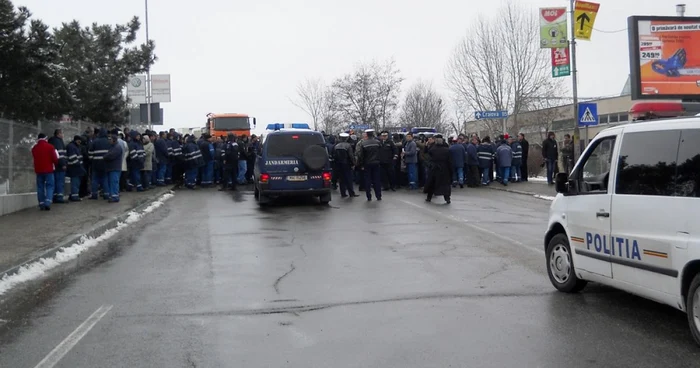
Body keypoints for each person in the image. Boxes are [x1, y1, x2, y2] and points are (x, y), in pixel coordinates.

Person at [32, 133, 59, 210]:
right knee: (50, 186)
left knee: (40, 186)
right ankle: (48, 202)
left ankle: (41, 203)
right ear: (45, 139)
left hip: (38, 170)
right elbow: (55, 159)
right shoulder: (50, 147)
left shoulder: (34, 148)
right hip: (48, 170)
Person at [424, 135, 453, 204]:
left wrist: (430, 166)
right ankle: (447, 198)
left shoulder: (432, 150)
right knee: (445, 185)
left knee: (432, 184)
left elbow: (427, 157)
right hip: (444, 169)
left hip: (434, 169)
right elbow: (450, 162)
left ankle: (429, 197)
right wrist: (451, 171)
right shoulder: (447, 150)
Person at [355, 129, 382, 201]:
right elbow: (381, 153)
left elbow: (361, 155)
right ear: (373, 134)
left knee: (367, 180)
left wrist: (361, 164)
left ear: (367, 134)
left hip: (367, 164)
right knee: (377, 180)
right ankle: (378, 196)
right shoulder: (378, 142)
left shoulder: (363, 144)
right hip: (376, 163)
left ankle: (369, 196)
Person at [333, 133, 359, 198]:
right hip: (347, 164)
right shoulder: (348, 146)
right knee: (349, 179)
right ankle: (351, 193)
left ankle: (343, 193)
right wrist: (354, 163)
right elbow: (351, 156)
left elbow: (334, 156)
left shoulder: (336, 146)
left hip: (338, 165)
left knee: (341, 179)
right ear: (346, 138)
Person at [47, 129, 67, 203]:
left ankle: (54, 196)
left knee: (55, 181)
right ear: (58, 134)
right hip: (59, 166)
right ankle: (59, 197)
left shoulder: (51, 141)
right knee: (60, 181)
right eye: (62, 133)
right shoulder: (58, 142)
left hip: (53, 165)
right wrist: (63, 164)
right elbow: (60, 154)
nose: (63, 135)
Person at [103, 134, 124, 203]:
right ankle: (112, 195)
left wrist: (105, 157)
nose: (109, 141)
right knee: (111, 182)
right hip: (112, 168)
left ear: (114, 140)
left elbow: (110, 156)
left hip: (114, 168)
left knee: (114, 182)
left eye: (110, 139)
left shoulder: (117, 147)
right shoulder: (113, 147)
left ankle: (115, 196)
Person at [66, 135, 86, 201]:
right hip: (74, 168)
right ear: (75, 140)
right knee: (75, 183)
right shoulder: (72, 147)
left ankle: (73, 195)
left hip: (76, 168)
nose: (80, 142)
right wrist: (80, 166)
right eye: (78, 140)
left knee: (76, 183)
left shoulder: (75, 146)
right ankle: (74, 197)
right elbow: (73, 158)